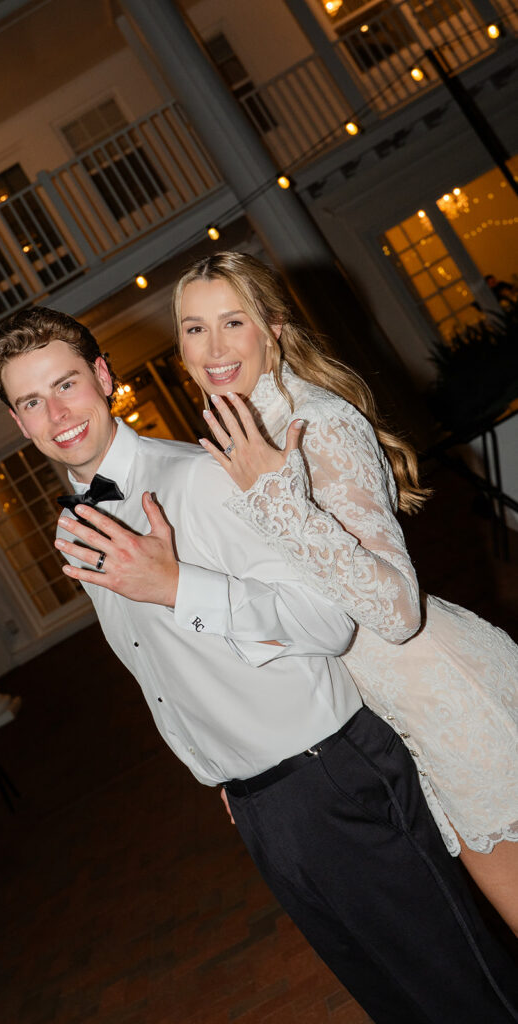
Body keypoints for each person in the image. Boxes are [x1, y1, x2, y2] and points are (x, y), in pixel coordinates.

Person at [0, 306, 518, 1024]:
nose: (56, 413)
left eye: (67, 384)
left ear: (103, 378)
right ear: (18, 423)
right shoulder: (77, 527)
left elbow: (326, 623)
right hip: (262, 805)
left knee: (465, 998)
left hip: (331, 773)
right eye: (31, 401)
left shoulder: (199, 480)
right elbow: (157, 665)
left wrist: (178, 586)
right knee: (399, 1004)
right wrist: (218, 766)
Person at [171, 250, 518, 936]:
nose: (212, 348)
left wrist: (279, 500)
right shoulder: (240, 435)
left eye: (232, 322)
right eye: (192, 328)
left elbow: (394, 610)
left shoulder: (318, 422)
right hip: (395, 721)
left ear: (272, 328)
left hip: (449, 698)